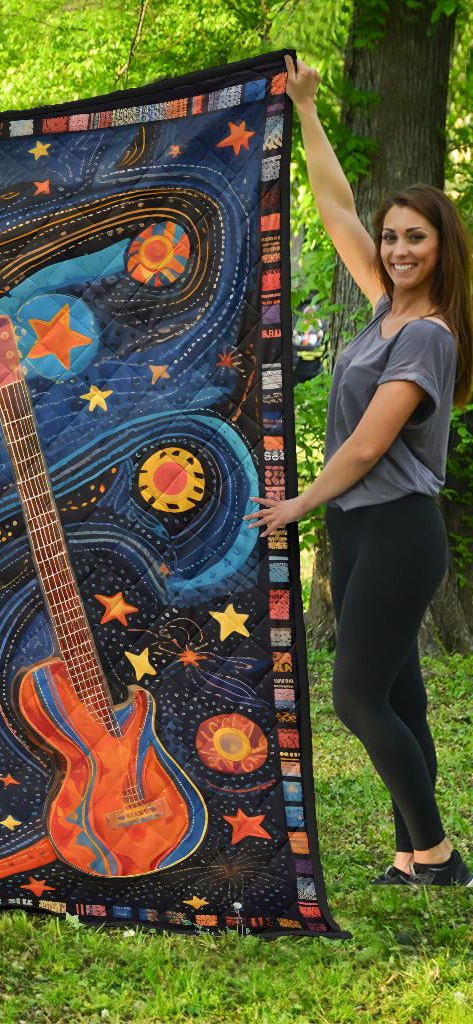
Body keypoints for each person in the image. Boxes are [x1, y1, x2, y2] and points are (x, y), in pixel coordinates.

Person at [247, 55, 473, 887]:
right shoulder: (385, 308)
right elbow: (338, 208)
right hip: (360, 530)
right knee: (400, 697)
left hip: (398, 532)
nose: (399, 248)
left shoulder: (430, 336)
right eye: (393, 236)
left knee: (355, 699)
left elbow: (371, 445)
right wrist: (307, 109)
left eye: (417, 237)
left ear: (443, 248)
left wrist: (299, 503)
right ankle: (414, 854)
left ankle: (439, 857)